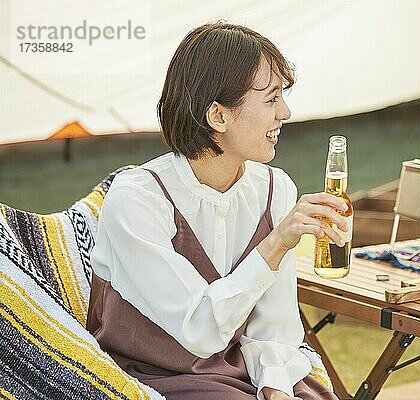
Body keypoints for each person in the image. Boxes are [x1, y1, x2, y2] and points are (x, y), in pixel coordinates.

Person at [87, 22, 346, 400]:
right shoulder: (138, 198)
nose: (285, 113)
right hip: (152, 375)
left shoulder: (276, 189)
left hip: (239, 369)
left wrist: (275, 389)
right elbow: (199, 329)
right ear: (218, 116)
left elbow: (274, 327)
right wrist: (274, 245)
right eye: (271, 99)